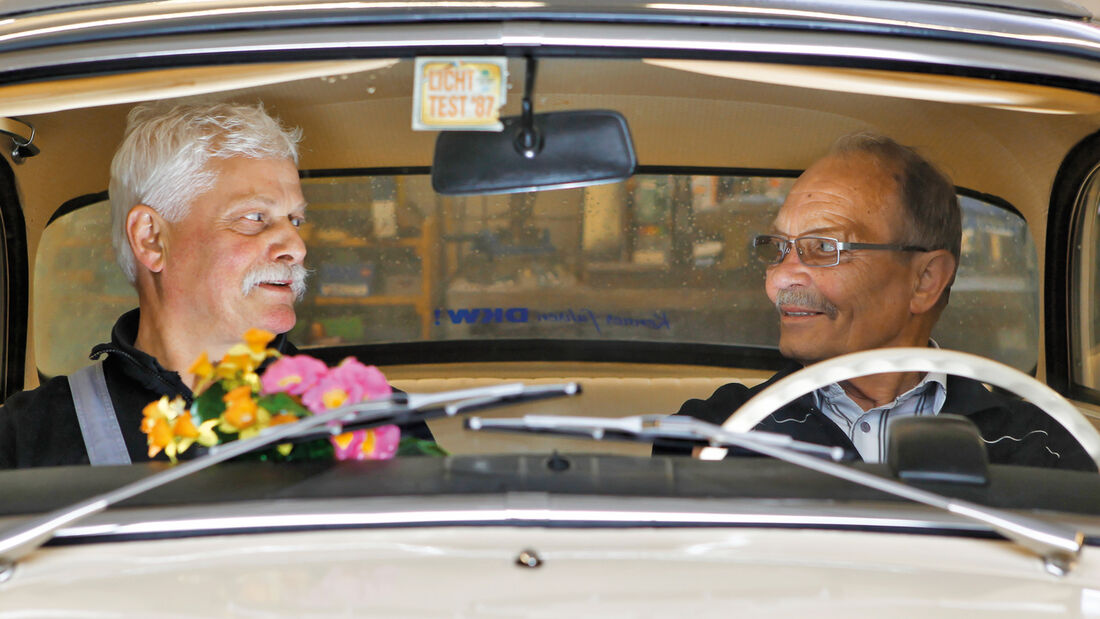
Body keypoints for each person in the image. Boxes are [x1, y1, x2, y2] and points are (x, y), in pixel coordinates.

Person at [0, 102, 428, 468]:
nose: (296, 247)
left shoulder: (369, 420)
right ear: (151, 238)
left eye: (295, 220)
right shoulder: (27, 438)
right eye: (254, 218)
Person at [662, 132, 1096, 471]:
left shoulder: (1036, 448)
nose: (779, 279)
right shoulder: (719, 432)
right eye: (777, 248)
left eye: (823, 248)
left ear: (925, 280)